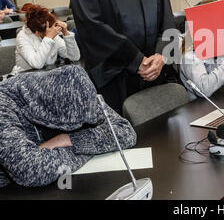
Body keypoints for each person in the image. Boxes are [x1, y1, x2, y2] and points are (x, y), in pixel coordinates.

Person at [0, 66, 137, 188]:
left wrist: (67, 139)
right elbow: (30, 170)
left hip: (59, 185)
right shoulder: (3, 104)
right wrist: (95, 146)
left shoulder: (76, 87)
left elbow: (125, 132)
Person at [12, 4, 80, 73]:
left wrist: (66, 34)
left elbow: (74, 57)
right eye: (47, 30)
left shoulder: (51, 32)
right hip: (26, 77)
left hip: (48, 74)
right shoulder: (22, 37)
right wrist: (48, 38)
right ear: (37, 32)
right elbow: (37, 64)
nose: (52, 31)